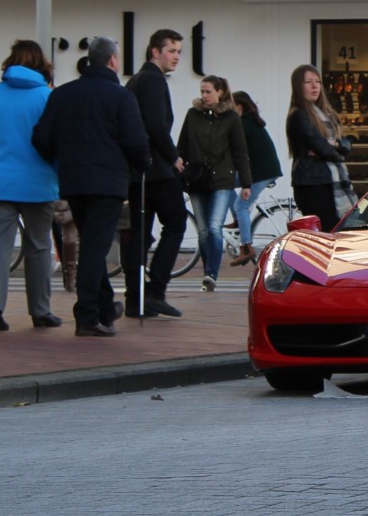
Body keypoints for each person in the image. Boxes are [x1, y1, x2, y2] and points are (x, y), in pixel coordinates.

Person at [32, 36, 150, 337]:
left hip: (74, 182)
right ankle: (87, 315)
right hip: (108, 184)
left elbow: (42, 138)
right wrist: (142, 163)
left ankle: (106, 306)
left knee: (92, 244)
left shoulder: (63, 95)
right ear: (112, 61)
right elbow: (136, 142)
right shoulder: (121, 97)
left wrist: (64, 160)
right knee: (94, 249)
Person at [0, 39, 60, 332]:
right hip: (38, 183)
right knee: (40, 246)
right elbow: (56, 143)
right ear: (40, 64)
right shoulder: (47, 97)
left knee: (0, 246)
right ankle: (41, 311)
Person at [122, 28, 187, 319]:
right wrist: (173, 157)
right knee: (175, 222)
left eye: (179, 52)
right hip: (155, 170)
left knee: (140, 233)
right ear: (155, 52)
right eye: (171, 50)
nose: (176, 57)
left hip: (137, 170)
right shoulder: (151, 80)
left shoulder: (137, 79)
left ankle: (136, 298)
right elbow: (155, 124)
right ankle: (155, 289)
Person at [177, 75, 252, 292]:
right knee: (202, 231)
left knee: (214, 227)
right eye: (202, 91)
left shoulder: (230, 117)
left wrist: (246, 183)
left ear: (219, 92)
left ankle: (212, 273)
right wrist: (179, 163)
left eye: (208, 91)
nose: (204, 96)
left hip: (222, 178)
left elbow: (240, 152)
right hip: (197, 178)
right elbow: (183, 143)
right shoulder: (193, 115)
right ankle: (207, 271)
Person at [287, 63, 356, 232]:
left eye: (317, 81)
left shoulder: (328, 115)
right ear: (298, 86)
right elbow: (323, 148)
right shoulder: (299, 115)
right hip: (312, 184)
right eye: (308, 82)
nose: (314, 85)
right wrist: (332, 148)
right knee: (326, 234)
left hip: (332, 181)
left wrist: (334, 144)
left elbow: (345, 145)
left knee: (339, 229)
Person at [228, 91, 283, 266]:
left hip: (262, 172)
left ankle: (246, 247)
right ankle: (238, 221)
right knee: (225, 183)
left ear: (239, 106)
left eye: (231, 106)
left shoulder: (243, 123)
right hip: (262, 169)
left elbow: (236, 150)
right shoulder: (250, 122)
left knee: (241, 205)